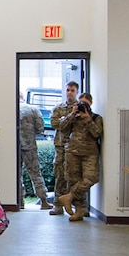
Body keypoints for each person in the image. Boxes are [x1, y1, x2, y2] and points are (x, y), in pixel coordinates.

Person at [56, 92, 103, 222]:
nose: (82, 106)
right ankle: (79, 211)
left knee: (91, 178)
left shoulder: (95, 118)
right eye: (80, 103)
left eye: (85, 103)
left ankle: (69, 197)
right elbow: (62, 127)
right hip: (72, 152)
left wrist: (87, 118)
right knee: (74, 181)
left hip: (90, 153)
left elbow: (97, 133)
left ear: (91, 104)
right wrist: (72, 114)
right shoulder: (73, 117)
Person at [49, 81, 81, 214]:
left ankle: (79, 206)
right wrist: (69, 117)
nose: (69, 93)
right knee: (60, 174)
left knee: (75, 176)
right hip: (61, 146)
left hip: (75, 147)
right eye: (68, 90)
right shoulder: (58, 108)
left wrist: (65, 119)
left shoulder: (81, 108)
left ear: (77, 92)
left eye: (72, 90)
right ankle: (58, 204)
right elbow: (56, 124)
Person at [15, 100, 49, 210]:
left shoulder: (11, 109)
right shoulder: (33, 109)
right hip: (29, 146)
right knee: (35, 173)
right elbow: (40, 127)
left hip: (15, 147)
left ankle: (19, 201)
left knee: (17, 175)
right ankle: (43, 201)